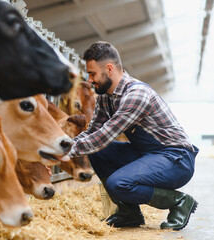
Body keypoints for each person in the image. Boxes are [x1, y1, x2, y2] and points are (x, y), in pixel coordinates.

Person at [68, 41, 199, 230]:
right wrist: (60, 146)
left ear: (109, 69)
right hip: (147, 154)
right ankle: (129, 213)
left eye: (92, 73)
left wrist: (59, 154)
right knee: (98, 152)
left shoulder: (136, 94)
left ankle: (178, 201)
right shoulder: (106, 97)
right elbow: (93, 132)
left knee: (118, 183)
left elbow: (104, 136)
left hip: (176, 158)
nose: (89, 80)